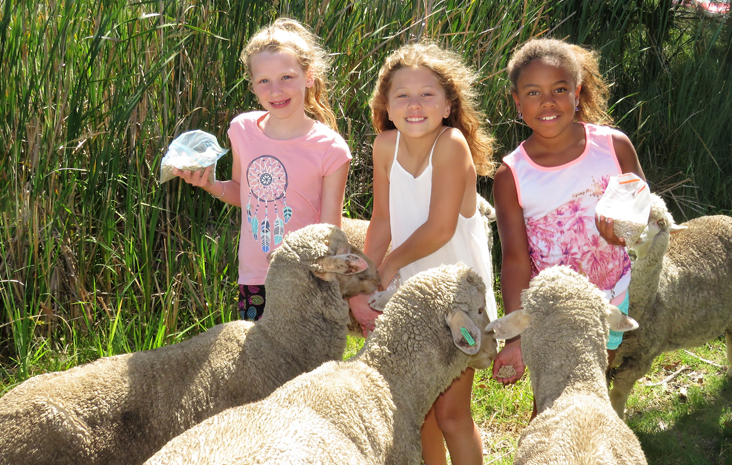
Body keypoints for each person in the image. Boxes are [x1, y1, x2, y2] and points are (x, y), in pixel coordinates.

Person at [349, 42, 497, 465]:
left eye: (427, 94)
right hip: (411, 296)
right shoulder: (383, 147)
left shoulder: (451, 144)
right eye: (402, 95)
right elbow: (381, 222)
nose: (415, 105)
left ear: (448, 105)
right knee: (421, 413)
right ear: (387, 107)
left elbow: (439, 228)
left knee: (452, 414)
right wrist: (366, 280)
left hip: (457, 297)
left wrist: (390, 264)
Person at [491, 38, 645, 412]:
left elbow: (645, 209)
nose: (548, 102)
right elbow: (514, 260)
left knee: (593, 387)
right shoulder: (511, 175)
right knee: (550, 402)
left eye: (560, 89)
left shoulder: (614, 146)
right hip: (553, 307)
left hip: (614, 294)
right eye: (533, 92)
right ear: (517, 102)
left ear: (577, 92)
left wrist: (627, 228)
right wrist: (515, 337)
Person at [171, 18, 351, 321]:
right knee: (258, 362)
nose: (275, 90)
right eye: (264, 81)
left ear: (309, 77)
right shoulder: (242, 129)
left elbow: (331, 232)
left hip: (304, 278)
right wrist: (210, 184)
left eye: (287, 77)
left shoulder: (331, 148)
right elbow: (243, 193)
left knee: (303, 365)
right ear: (252, 85)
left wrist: (325, 281)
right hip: (254, 276)